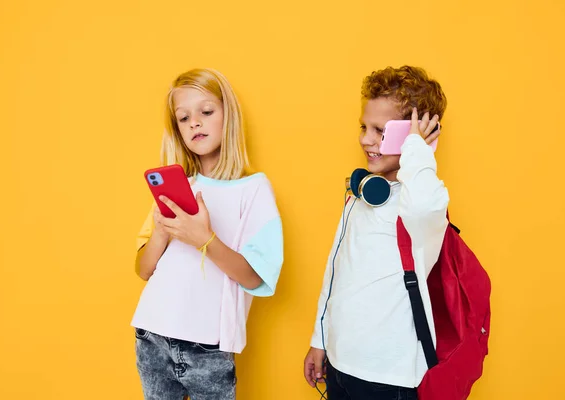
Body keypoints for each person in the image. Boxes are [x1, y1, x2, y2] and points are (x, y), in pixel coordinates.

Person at [132, 68, 284, 400]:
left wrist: (204, 239)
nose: (194, 123)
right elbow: (143, 270)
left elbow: (257, 277)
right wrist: (161, 232)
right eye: (183, 118)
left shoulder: (254, 188)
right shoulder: (177, 186)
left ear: (227, 115)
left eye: (206, 112)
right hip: (151, 334)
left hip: (207, 346)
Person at [303, 65, 450, 400]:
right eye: (363, 127)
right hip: (341, 365)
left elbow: (425, 204)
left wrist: (417, 150)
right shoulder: (362, 194)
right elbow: (336, 273)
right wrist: (319, 340)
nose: (365, 139)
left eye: (380, 131)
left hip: (388, 377)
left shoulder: (420, 205)